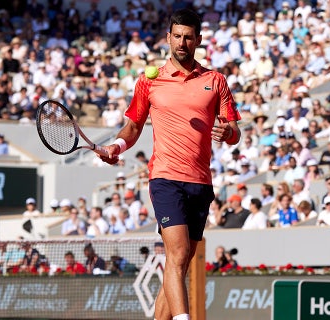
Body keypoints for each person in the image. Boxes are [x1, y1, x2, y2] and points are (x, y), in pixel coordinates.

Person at [99, 10, 241, 320]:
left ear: (198, 40)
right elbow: (133, 127)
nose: (182, 42)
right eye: (177, 36)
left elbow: (234, 132)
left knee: (181, 263)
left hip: (201, 182)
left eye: (188, 37)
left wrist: (228, 132)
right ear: (168, 38)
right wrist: (116, 146)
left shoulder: (215, 81)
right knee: (176, 256)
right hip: (165, 178)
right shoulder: (149, 82)